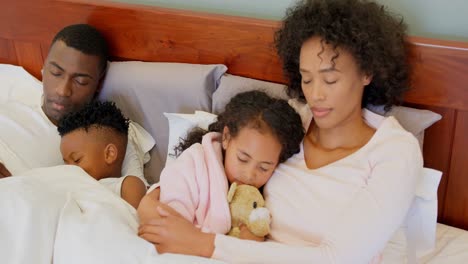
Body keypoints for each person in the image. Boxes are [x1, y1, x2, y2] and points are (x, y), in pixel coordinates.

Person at [137, 0, 423, 263]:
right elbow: (217, 162)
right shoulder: (292, 120)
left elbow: (338, 259)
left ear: (366, 73)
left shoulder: (395, 152)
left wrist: (206, 245)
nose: (315, 95)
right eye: (306, 79)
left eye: (330, 79)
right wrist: (157, 200)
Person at [0, 24, 153, 199]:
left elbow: (135, 205)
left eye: (80, 81)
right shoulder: (7, 109)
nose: (63, 90)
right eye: (56, 72)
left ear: (98, 84)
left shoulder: (105, 134)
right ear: (44, 68)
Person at [137, 90, 304, 239]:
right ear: (226, 138)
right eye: (243, 159)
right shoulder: (194, 162)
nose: (249, 174)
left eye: (264, 168)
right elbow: (170, 224)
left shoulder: (268, 193)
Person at [58, 100, 147, 208]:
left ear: (109, 154)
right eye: (66, 163)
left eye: (77, 160)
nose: (69, 169)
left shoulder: (127, 185)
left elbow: (134, 222)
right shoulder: (68, 189)